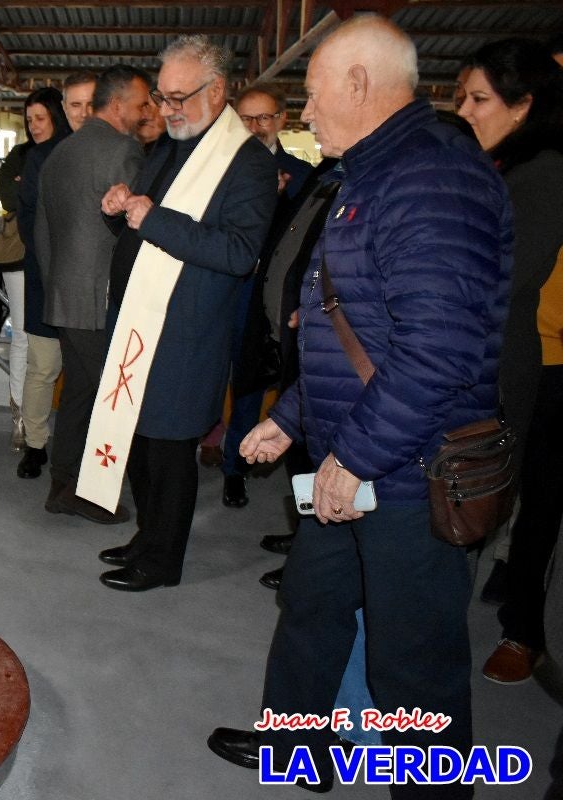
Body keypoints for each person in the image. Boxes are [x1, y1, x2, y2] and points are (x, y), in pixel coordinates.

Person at [207, 18, 513, 795]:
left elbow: (437, 352)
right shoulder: (373, 173)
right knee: (312, 609)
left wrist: (355, 456)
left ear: (358, 84)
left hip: (408, 473)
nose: (305, 113)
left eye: (310, 96)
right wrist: (293, 418)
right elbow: (363, 336)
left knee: (412, 662)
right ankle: (298, 751)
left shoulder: (434, 179)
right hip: (359, 457)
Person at [88, 36, 276, 591]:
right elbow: (146, 225)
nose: (164, 109)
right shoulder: (170, 145)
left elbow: (239, 252)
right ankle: (147, 538)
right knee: (140, 444)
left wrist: (151, 219)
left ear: (216, 90)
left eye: (176, 97)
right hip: (138, 323)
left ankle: (163, 561)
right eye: (160, 98)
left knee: (170, 455)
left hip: (185, 335)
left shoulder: (246, 163)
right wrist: (118, 210)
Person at [456, 37, 563, 685]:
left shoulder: (544, 170)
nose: (465, 111)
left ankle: (525, 630)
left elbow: (507, 275)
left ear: (523, 106)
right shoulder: (503, 164)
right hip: (519, 354)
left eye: (479, 99)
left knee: (536, 501)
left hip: (547, 362)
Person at [35, 65, 153, 524]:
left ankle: (63, 485)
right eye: (142, 103)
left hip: (65, 295)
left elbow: (41, 233)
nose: (146, 113)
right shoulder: (124, 149)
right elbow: (135, 231)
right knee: (115, 403)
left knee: (81, 394)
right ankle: (92, 492)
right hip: (102, 298)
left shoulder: (59, 153)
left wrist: (58, 284)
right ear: (119, 103)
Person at [219, 82, 314, 510]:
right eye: (246, 118)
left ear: (282, 120)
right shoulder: (218, 171)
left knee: (254, 383)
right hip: (221, 291)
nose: (256, 126)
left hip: (271, 301)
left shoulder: (304, 177)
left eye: (265, 117)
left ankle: (236, 468)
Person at [14, 83, 80, 479]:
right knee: (42, 368)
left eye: (41, 118)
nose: (35, 126)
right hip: (44, 277)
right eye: (28, 121)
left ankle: (78, 448)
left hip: (86, 285)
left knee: (83, 372)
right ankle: (35, 444)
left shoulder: (86, 152)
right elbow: (29, 220)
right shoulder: (35, 159)